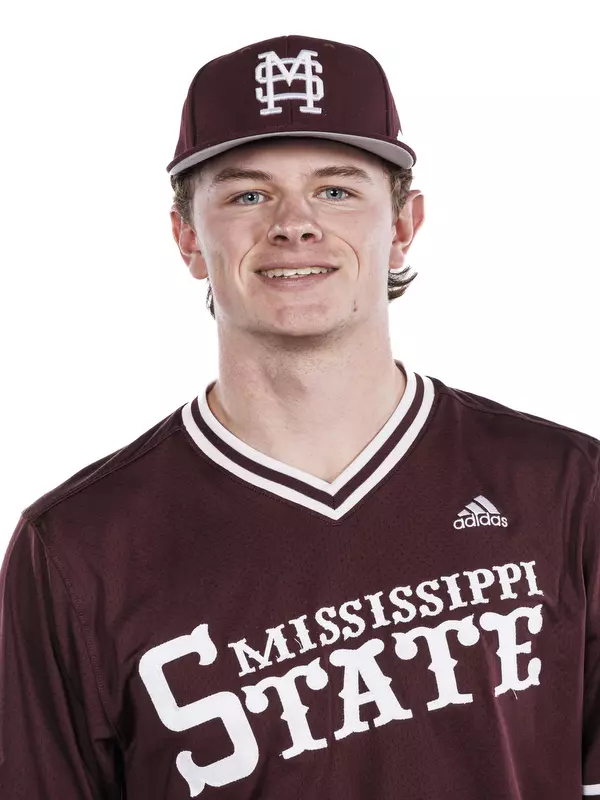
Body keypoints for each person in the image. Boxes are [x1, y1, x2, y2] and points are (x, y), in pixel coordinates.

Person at [0, 33, 598, 800]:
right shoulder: (76, 549)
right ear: (187, 237)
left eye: (338, 189)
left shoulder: (566, 487)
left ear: (405, 226)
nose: (295, 223)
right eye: (248, 195)